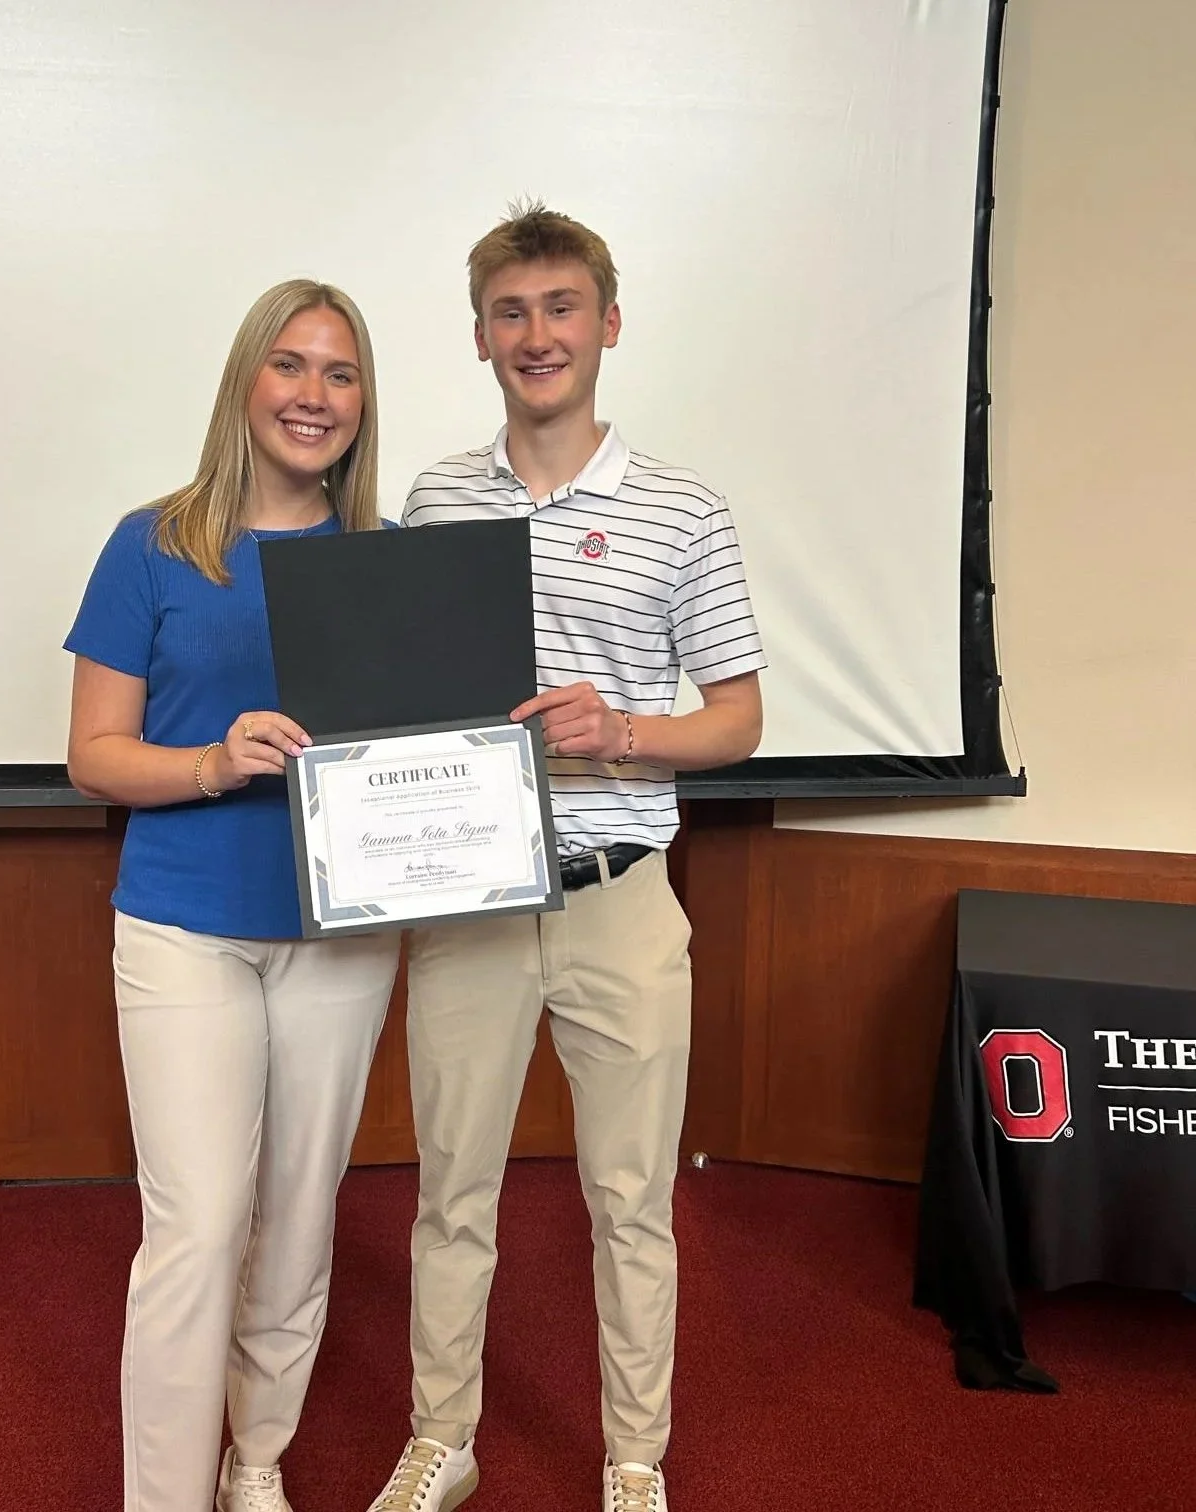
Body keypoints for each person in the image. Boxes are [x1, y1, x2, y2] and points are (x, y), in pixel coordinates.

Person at [366, 206, 766, 1512]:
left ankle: (633, 1462)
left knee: (631, 1201)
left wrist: (626, 732)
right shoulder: (436, 497)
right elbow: (404, 697)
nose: (537, 335)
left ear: (606, 321)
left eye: (560, 307)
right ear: (481, 334)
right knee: (451, 1194)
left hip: (621, 903)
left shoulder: (682, 510)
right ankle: (445, 1440)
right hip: (471, 904)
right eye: (511, 311)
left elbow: (739, 717)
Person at [65, 278, 401, 1512]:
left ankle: (254, 1464)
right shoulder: (150, 544)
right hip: (181, 928)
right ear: (246, 381)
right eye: (292, 366)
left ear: (363, 405)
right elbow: (93, 753)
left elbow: (427, 749)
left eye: (341, 374)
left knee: (299, 1224)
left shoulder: (383, 563)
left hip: (341, 934)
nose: (314, 396)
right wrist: (211, 763)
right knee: (199, 1230)